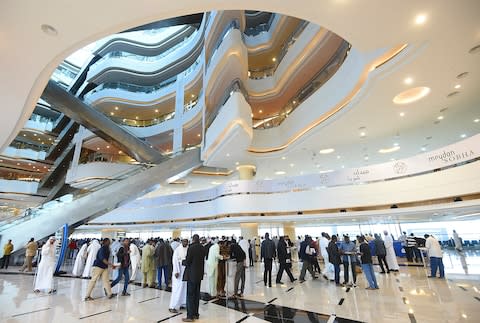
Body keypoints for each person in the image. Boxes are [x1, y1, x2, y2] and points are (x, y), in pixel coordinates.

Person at [183, 234, 205, 322]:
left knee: (190, 295)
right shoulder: (202, 248)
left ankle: (190, 316)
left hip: (192, 275)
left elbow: (188, 261)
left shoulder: (191, 248)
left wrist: (183, 262)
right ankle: (196, 314)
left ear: (193, 239)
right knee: (196, 295)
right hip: (199, 275)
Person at [169, 238, 188, 313]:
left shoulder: (188, 249)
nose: (185, 243)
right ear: (181, 241)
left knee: (184, 288)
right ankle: (172, 306)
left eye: (186, 241)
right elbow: (175, 261)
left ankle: (182, 304)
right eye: (184, 241)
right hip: (178, 272)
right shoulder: (177, 250)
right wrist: (176, 271)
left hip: (185, 272)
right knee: (177, 289)